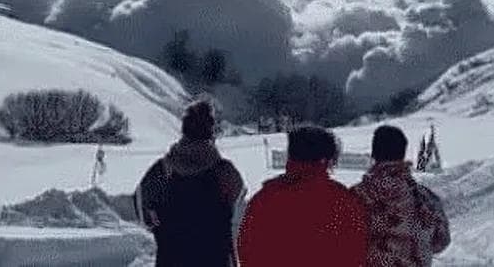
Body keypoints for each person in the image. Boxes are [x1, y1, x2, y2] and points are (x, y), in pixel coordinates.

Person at [238, 125, 367, 266]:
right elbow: (356, 252)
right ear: (325, 159)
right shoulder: (342, 201)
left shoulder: (263, 200)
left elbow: (247, 250)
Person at [135, 100, 245, 266]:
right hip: (215, 257)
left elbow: (141, 207)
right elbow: (238, 213)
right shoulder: (225, 172)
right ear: (211, 131)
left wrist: (162, 231)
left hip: (171, 257)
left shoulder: (163, 169)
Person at [352, 125, 451, 266]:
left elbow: (343, 243)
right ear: (403, 154)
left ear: (373, 154)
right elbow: (441, 241)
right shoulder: (425, 197)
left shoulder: (357, 196)